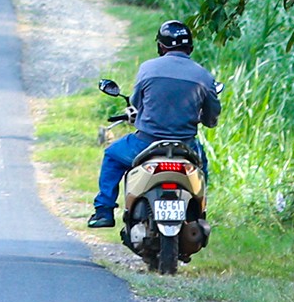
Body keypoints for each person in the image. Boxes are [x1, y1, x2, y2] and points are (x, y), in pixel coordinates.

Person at [89, 21, 222, 227]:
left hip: (145, 143)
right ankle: (198, 213)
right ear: (190, 48)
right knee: (202, 170)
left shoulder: (148, 68)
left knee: (112, 156)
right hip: (186, 146)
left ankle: (104, 210)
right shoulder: (204, 76)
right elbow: (211, 118)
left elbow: (136, 102)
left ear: (161, 46)